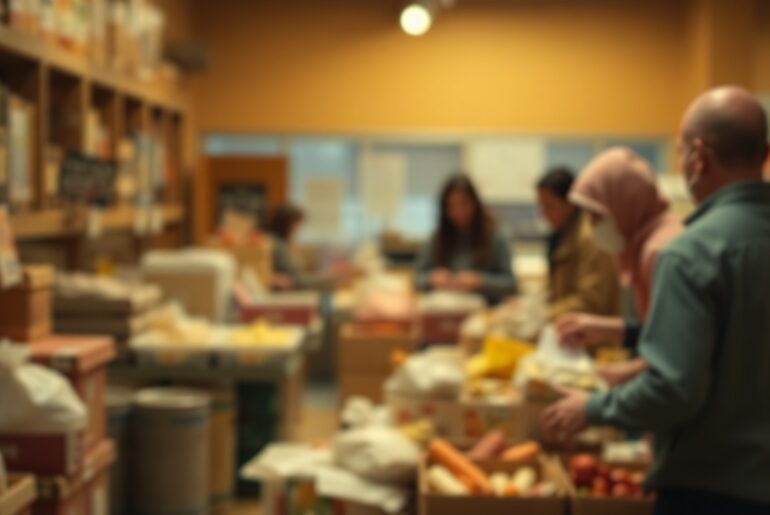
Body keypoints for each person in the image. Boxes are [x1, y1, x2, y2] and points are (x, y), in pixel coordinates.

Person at [543, 86, 770, 514]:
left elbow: (675, 388)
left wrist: (593, 407)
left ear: (697, 157)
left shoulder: (692, 250)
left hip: (710, 486)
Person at [555, 148, 684, 384]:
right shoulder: (644, 241)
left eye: (597, 215)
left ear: (623, 204)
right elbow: (657, 330)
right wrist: (608, 328)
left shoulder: (659, 251)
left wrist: (608, 387)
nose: (592, 227)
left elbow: (676, 356)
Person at [415, 173, 517, 305]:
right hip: (446, 308)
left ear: (475, 204)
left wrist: (480, 281)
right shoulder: (438, 236)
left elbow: (511, 285)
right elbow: (417, 277)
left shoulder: (496, 235)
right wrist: (431, 279)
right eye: (451, 206)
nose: (457, 212)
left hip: (485, 313)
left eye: (463, 204)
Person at [536, 166, 620, 321]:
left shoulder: (591, 238)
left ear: (570, 203)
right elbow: (558, 289)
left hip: (595, 338)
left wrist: (543, 315)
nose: (543, 213)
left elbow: (591, 300)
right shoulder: (563, 233)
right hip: (572, 332)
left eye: (549, 205)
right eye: (541, 206)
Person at [265, 203, 346, 290]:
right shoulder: (277, 244)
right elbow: (297, 281)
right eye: (295, 225)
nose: (296, 230)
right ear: (285, 224)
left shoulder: (280, 243)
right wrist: (330, 276)